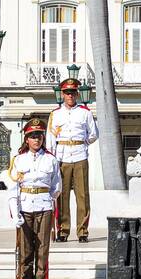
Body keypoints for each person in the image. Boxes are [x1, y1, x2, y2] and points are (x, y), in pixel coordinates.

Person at [7, 118, 62, 279]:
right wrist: (15, 214)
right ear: (26, 138)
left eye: (39, 136)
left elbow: (57, 188)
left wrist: (45, 198)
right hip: (25, 208)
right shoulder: (18, 160)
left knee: (42, 252)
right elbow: (13, 190)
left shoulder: (51, 159)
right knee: (25, 254)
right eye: (32, 136)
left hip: (44, 207)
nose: (36, 139)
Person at [48, 76, 99, 243]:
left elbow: (93, 134)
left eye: (72, 93)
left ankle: (82, 231)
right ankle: (63, 230)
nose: (70, 96)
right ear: (62, 94)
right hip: (61, 156)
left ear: (77, 94)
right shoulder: (55, 114)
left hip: (79, 155)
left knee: (82, 195)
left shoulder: (85, 113)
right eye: (67, 93)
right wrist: (52, 157)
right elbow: (50, 137)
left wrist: (82, 142)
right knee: (62, 196)